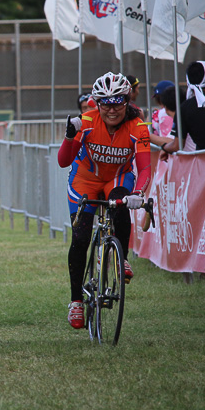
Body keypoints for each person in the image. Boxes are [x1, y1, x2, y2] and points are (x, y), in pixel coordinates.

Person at [58, 72, 151, 329]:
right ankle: (76, 301)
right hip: (85, 180)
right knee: (80, 237)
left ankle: (121, 257)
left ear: (127, 100)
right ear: (96, 103)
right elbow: (63, 161)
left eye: (118, 101)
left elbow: (144, 169)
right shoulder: (86, 122)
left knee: (121, 203)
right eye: (105, 102)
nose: (112, 109)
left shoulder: (138, 127)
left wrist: (138, 194)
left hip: (117, 178)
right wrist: (69, 136)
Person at [149, 82, 176, 148]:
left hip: (166, 152)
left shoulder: (156, 115)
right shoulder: (187, 111)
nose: (161, 104)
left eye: (161, 100)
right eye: (158, 100)